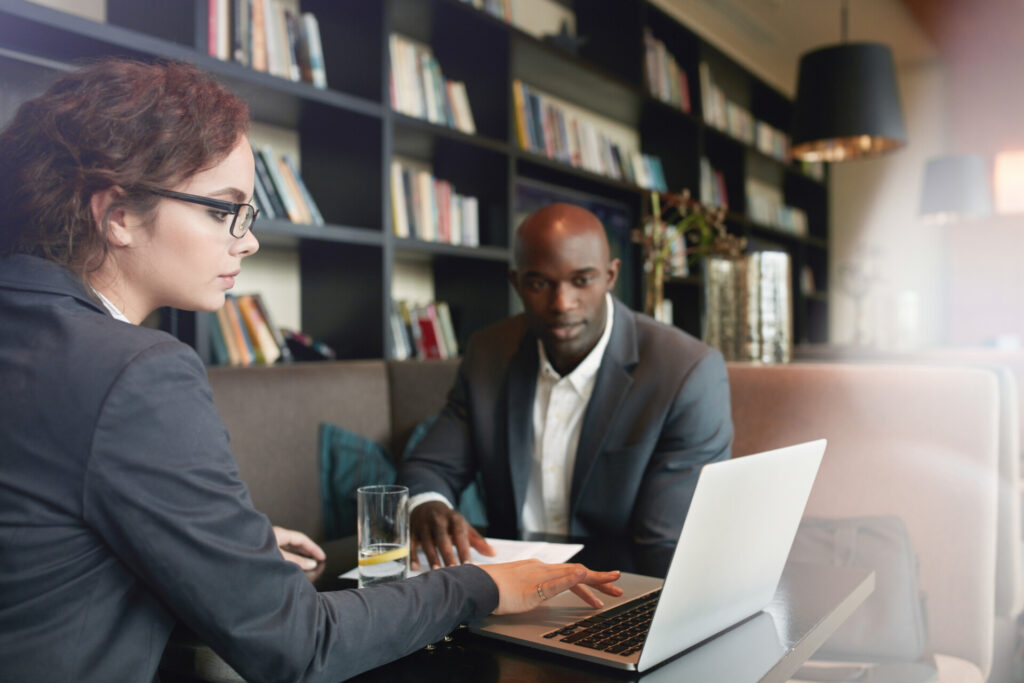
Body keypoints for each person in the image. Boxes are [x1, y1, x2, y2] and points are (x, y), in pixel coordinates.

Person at [0, 59, 621, 683]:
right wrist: (478, 586)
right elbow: (300, 646)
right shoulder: (135, 372)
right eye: (223, 211)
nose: (247, 241)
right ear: (118, 215)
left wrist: (218, 545)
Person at [399, 203, 733, 570]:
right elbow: (430, 466)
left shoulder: (684, 372)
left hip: (622, 592)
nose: (562, 303)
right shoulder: (488, 354)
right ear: (517, 283)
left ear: (610, 276)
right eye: (540, 283)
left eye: (582, 280)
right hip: (506, 592)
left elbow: (667, 545)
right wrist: (428, 504)